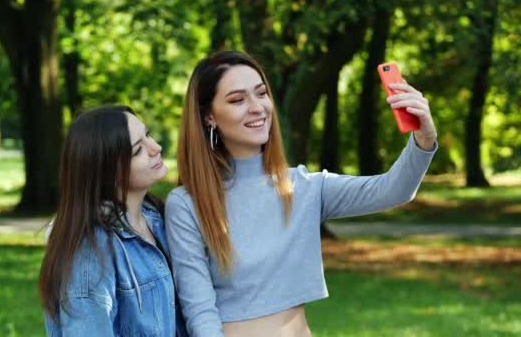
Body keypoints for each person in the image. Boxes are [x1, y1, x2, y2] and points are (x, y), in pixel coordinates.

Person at [165, 51, 437, 337]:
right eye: (237, 100)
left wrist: (424, 138)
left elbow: (394, 190)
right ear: (209, 116)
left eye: (261, 93)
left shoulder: (303, 187)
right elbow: (199, 311)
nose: (257, 107)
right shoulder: (187, 204)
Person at [39, 105, 188, 336]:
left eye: (148, 135)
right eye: (138, 150)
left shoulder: (158, 218)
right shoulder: (90, 250)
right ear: (107, 170)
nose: (156, 147)